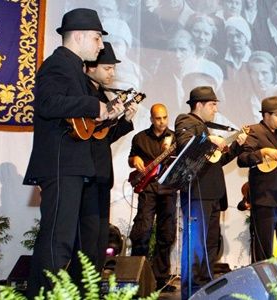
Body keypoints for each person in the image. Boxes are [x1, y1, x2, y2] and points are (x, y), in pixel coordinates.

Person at [22, 8, 112, 297]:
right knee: (57, 240)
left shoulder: (72, 67)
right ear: (80, 35)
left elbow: (69, 114)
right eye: (97, 38)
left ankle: (43, 293)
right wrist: (91, 105)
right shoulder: (58, 64)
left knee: (61, 238)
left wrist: (100, 114)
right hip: (61, 164)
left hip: (70, 164)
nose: (100, 45)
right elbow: (47, 103)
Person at [174, 86, 247, 298]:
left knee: (209, 245)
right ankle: (192, 292)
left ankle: (205, 289)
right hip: (197, 193)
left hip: (213, 194)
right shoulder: (185, 121)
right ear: (199, 105)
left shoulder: (204, 128)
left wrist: (237, 147)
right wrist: (209, 139)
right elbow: (185, 145)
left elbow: (218, 161)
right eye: (212, 104)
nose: (215, 109)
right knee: (195, 245)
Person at [83, 41, 137, 271]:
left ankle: (93, 282)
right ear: (90, 68)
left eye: (113, 68)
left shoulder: (103, 95)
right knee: (87, 234)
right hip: (86, 172)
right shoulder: (82, 91)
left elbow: (103, 136)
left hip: (102, 173)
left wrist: (123, 120)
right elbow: (83, 133)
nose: (112, 73)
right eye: (108, 68)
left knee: (99, 235)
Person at [237, 96, 277, 262]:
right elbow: (242, 159)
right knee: (263, 250)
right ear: (266, 115)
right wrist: (263, 152)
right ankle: (263, 285)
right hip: (265, 199)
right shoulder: (254, 132)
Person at [128, 104, 178, 291]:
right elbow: (131, 158)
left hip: (168, 189)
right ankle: (136, 278)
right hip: (147, 189)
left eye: (165, 117)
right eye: (158, 118)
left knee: (166, 235)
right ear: (151, 119)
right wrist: (135, 160)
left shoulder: (175, 138)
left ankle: (161, 280)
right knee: (142, 231)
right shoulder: (140, 138)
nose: (162, 122)